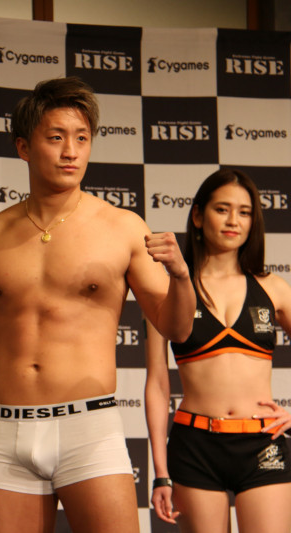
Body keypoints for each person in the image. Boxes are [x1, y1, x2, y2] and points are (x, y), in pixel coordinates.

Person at [0, 76, 196, 533]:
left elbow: (177, 328)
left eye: (81, 138)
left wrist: (181, 277)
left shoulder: (122, 228)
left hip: (89, 429)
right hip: (8, 434)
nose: (71, 152)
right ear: (23, 147)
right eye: (56, 138)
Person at [145, 169, 291, 533]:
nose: (233, 221)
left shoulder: (273, 287)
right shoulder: (167, 289)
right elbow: (157, 384)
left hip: (263, 444)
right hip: (195, 446)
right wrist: (160, 473)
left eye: (244, 212)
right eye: (222, 209)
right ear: (197, 215)